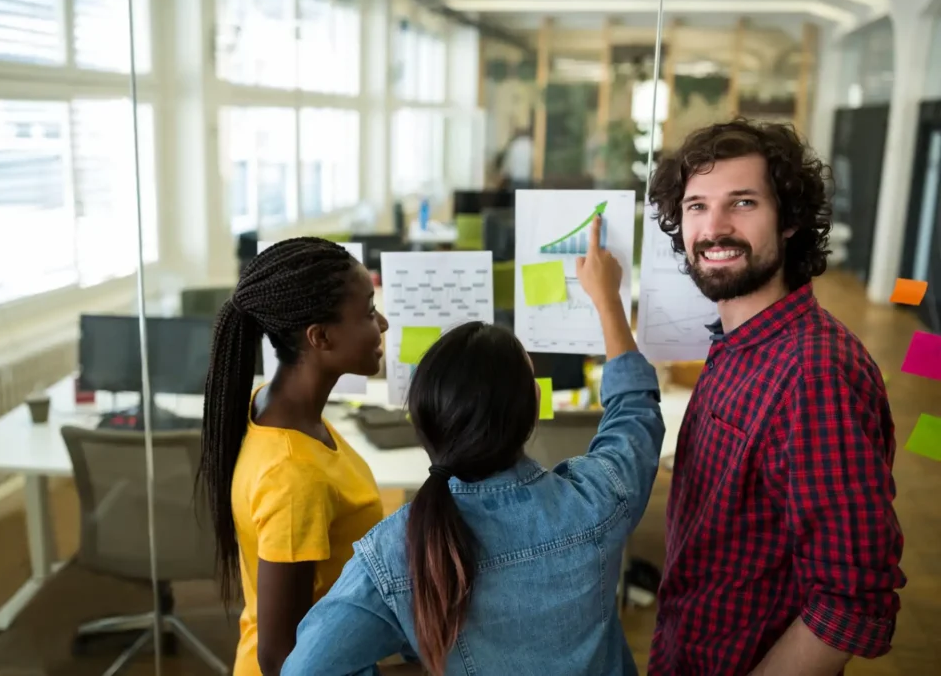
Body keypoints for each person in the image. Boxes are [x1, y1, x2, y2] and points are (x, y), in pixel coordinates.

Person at [281, 215, 666, 676]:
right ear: (534, 406)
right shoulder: (596, 501)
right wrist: (607, 302)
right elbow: (635, 412)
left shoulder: (392, 553)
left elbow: (305, 670)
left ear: (422, 419)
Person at [646, 119, 905, 675]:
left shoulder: (813, 373)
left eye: (741, 203)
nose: (713, 228)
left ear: (789, 221)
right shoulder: (740, 344)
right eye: (696, 206)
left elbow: (852, 598)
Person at [196, 237, 389, 676]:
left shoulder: (275, 406)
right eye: (367, 312)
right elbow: (282, 657)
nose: (383, 323)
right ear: (319, 336)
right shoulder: (293, 475)